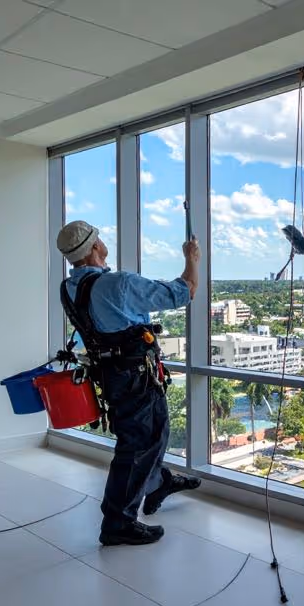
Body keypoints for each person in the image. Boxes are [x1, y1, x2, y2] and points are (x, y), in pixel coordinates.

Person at [56, 220, 202, 546]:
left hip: (113, 376)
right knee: (137, 444)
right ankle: (118, 521)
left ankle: (158, 482)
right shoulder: (116, 284)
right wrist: (192, 258)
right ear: (95, 247)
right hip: (135, 375)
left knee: (152, 433)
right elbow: (184, 291)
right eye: (99, 238)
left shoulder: (70, 288)